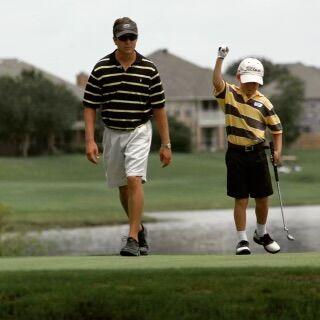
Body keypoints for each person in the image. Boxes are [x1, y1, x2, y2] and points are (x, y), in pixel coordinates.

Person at [83, 17, 172, 256]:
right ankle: (140, 228)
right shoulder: (102, 68)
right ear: (115, 40)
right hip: (112, 132)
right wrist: (90, 140)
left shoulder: (149, 68)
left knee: (134, 179)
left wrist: (166, 143)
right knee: (123, 187)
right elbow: (90, 105)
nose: (128, 41)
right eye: (123, 38)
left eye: (132, 37)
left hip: (139, 131)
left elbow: (159, 108)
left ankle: (132, 238)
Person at [212, 46, 283, 255]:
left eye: (255, 82)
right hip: (235, 154)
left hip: (258, 153)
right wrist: (219, 59)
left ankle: (261, 233)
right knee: (241, 198)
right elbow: (216, 82)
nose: (251, 85)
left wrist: (277, 152)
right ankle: (242, 240)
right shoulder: (229, 94)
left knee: (262, 197)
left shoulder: (264, 103)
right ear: (239, 77)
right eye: (248, 80)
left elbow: (277, 130)